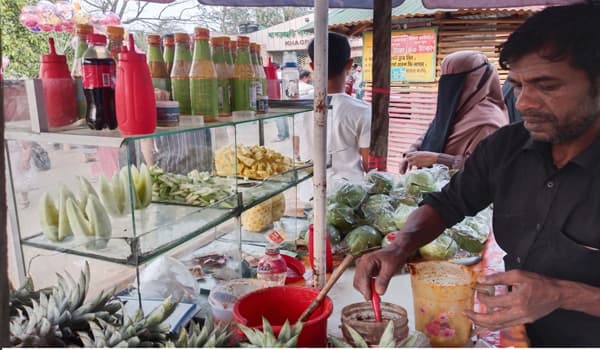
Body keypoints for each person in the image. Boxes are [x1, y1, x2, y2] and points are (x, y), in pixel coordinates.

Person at [353, 4, 600, 346]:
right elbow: (449, 202)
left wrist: (562, 294)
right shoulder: (507, 147)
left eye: (546, 86)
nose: (525, 102)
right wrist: (401, 246)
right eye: (517, 85)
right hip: (517, 335)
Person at [399, 51, 508, 173]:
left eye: (455, 83)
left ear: (476, 81)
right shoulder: (458, 108)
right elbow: (435, 131)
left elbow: (485, 167)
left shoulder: (489, 122)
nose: (448, 90)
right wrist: (412, 151)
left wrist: (438, 159)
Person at [305, 32, 371, 182]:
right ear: (349, 64)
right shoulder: (362, 110)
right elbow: (369, 164)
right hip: (348, 195)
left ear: (313, 67)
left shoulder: (298, 107)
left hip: (307, 193)